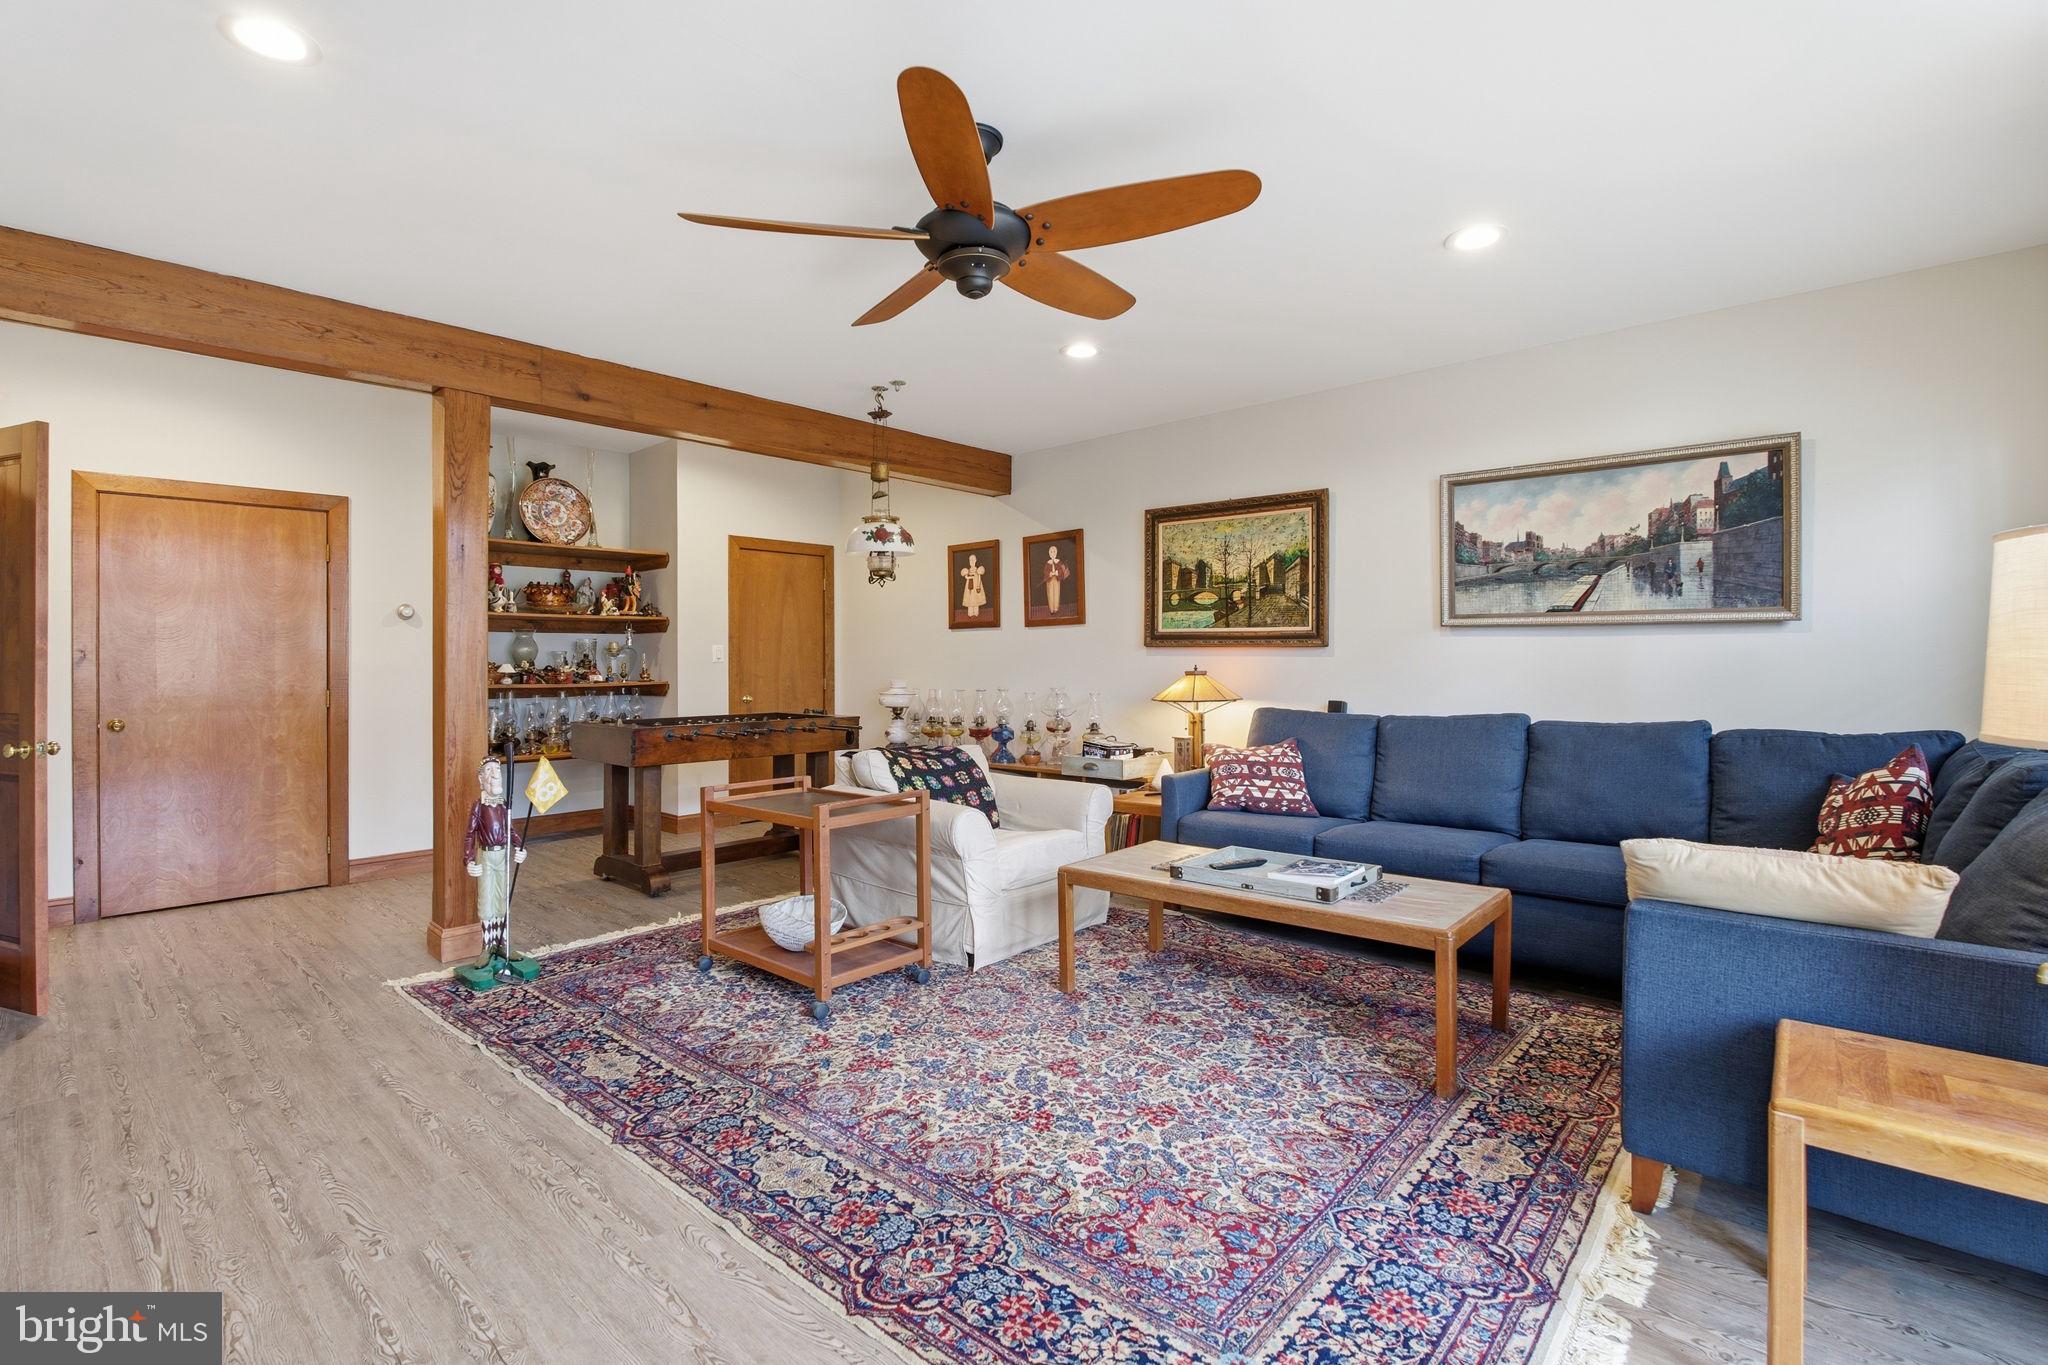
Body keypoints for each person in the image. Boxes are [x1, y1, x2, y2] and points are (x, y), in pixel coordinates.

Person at [1042, 544, 1071, 615]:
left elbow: (1061, 570)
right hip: (1050, 580)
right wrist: (1050, 574)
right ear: (1049, 553)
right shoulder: (1048, 563)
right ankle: (1051, 609)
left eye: (1054, 551)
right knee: (1050, 593)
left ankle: (1056, 608)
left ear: (1056, 552)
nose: (1053, 553)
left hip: (1057, 579)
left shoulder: (1058, 561)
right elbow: (1045, 571)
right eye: (1051, 552)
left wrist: (1057, 572)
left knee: (1056, 592)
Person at [958, 552, 987, 618]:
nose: (972, 561)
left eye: (973, 560)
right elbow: (966, 577)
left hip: (976, 586)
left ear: (976, 560)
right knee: (970, 598)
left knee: (976, 598)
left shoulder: (978, 570)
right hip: (969, 587)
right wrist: (970, 577)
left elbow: (979, 577)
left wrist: (978, 585)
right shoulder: (967, 570)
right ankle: (970, 614)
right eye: (970, 560)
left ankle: (976, 613)